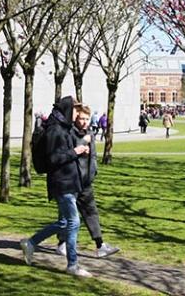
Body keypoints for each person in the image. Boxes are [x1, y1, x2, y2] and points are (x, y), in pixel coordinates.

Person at [20, 96, 93, 278]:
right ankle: (73, 264)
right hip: (62, 183)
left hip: (69, 181)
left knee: (64, 222)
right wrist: (76, 151)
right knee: (73, 222)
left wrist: (80, 149)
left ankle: (30, 242)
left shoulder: (64, 128)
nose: (77, 114)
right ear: (68, 110)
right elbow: (53, 159)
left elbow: (64, 154)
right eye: (75, 110)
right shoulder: (55, 130)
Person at [55, 104, 120, 259]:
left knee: (91, 212)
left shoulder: (90, 133)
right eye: (81, 119)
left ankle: (100, 245)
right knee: (67, 216)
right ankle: (61, 243)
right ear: (75, 118)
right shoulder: (69, 133)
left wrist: (93, 171)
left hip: (85, 181)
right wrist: (81, 146)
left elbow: (93, 156)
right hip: (71, 180)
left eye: (86, 119)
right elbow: (67, 154)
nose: (84, 122)